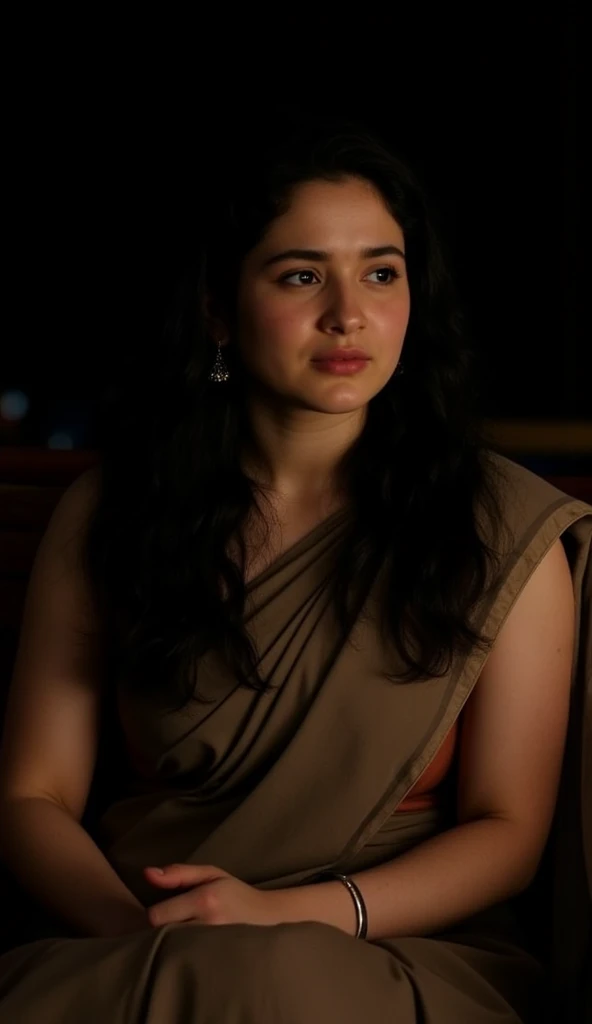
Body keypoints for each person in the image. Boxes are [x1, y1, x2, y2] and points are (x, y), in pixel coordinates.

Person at [0, 117, 590, 1024]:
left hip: (398, 954)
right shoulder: (117, 512)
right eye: (302, 274)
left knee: (268, 983)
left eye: (382, 273)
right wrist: (149, 931)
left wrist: (285, 916)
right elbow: (32, 795)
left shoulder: (501, 529)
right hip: (129, 940)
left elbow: (507, 833)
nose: (348, 312)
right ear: (218, 311)